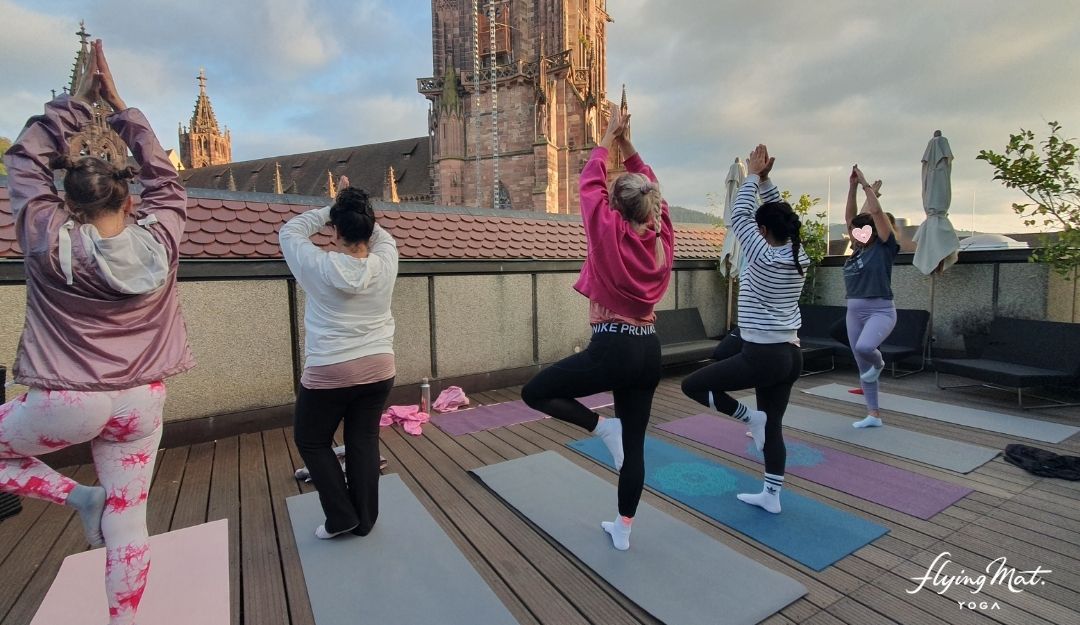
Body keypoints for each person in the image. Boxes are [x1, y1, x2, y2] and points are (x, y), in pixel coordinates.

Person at [0, 41, 194, 625]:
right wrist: (125, 111)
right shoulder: (162, 237)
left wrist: (72, 105)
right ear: (128, 197)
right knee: (130, 520)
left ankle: (77, 497)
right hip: (142, 400)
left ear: (66, 202)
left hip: (67, 399)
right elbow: (167, 180)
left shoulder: (45, 236)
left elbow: (23, 162)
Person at [521, 102, 673, 551]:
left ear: (614, 207)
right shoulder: (662, 235)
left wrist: (607, 135)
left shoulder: (609, 232)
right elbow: (650, 187)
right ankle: (624, 530)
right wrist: (626, 144)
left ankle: (601, 428)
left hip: (614, 348)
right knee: (637, 446)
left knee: (535, 392)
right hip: (649, 350)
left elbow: (588, 180)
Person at [681, 144, 808, 514]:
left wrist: (752, 175)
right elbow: (783, 214)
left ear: (763, 230)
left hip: (762, 355)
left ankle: (750, 418)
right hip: (790, 354)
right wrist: (767, 182)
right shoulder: (799, 255)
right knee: (774, 428)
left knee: (693, 385)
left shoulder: (763, 255)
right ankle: (772, 495)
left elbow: (738, 215)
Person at [281, 176, 399, 539]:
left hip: (330, 369)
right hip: (380, 365)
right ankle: (364, 520)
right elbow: (378, 233)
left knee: (312, 440)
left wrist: (332, 208)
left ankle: (340, 517)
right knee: (363, 439)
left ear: (334, 231)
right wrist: (352, 209)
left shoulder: (317, 265)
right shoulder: (387, 257)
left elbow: (291, 231)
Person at [843, 165, 900, 428]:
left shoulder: (885, 247)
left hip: (880, 310)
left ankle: (879, 363)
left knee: (867, 350)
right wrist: (852, 186)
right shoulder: (857, 248)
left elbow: (876, 212)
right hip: (853, 311)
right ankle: (873, 414)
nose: (855, 233)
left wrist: (865, 182)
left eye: (861, 230)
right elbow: (850, 217)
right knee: (860, 361)